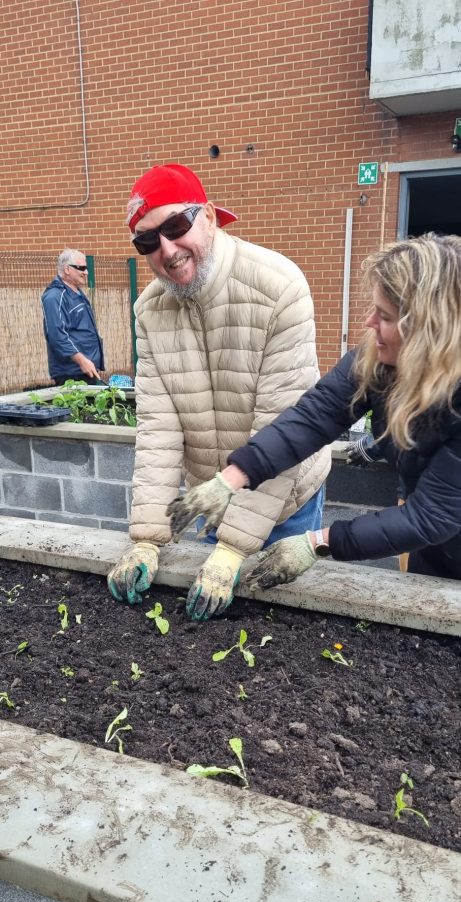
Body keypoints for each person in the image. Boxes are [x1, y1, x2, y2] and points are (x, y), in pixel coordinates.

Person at [167, 233, 461, 584]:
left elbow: (432, 515)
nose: (369, 323)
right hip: (435, 551)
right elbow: (313, 418)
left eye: (383, 315)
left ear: (427, 329)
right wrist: (228, 480)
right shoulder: (381, 363)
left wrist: (319, 543)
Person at [107, 162, 331, 619]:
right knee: (215, 620)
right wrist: (147, 539)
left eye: (175, 226)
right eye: (148, 241)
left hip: (289, 498)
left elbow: (284, 429)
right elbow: (158, 431)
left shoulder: (279, 287)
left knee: (283, 621)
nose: (166, 250)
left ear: (207, 215)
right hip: (212, 493)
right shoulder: (150, 310)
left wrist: (231, 550)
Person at [41, 248, 104, 385]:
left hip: (87, 370)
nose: (86, 272)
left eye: (86, 268)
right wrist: (81, 360)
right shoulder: (55, 297)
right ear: (67, 269)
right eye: (81, 268)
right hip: (71, 374)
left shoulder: (77, 292)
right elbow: (56, 335)